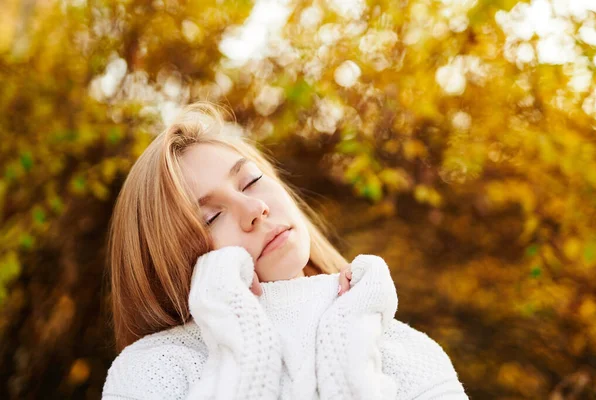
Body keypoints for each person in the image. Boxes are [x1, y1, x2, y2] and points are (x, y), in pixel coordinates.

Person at [102, 102, 468, 399]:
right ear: (171, 266)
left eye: (252, 181)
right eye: (211, 217)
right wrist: (240, 344)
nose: (253, 209)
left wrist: (350, 351)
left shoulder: (408, 351)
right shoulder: (151, 370)